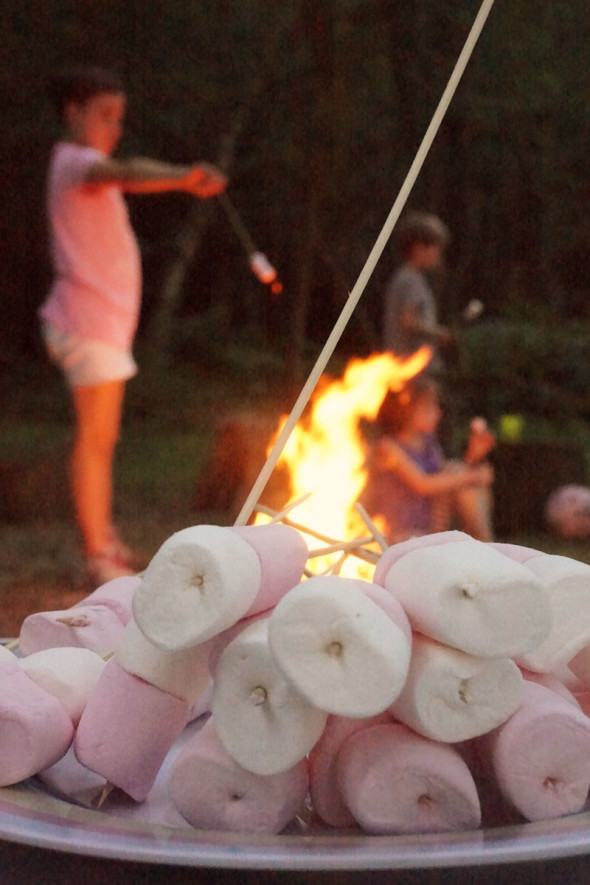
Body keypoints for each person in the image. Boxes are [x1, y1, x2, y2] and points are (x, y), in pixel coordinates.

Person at [39, 66, 227, 584]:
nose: (113, 127)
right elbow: (121, 170)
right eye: (104, 115)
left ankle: (103, 539)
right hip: (86, 321)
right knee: (95, 441)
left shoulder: (81, 164)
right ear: (72, 112)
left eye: (118, 118)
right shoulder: (77, 162)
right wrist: (184, 178)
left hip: (99, 325)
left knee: (102, 438)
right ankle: (96, 551)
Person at [361, 375, 495, 544]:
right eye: (429, 408)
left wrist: (473, 458)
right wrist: (473, 475)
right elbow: (423, 484)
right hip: (401, 531)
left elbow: (445, 479)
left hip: (433, 526)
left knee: (463, 478)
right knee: (464, 477)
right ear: (407, 410)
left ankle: (484, 544)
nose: (438, 413)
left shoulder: (429, 443)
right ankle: (485, 545)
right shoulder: (388, 448)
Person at [383, 211, 454, 375]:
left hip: (404, 366)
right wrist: (440, 333)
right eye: (436, 249)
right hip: (413, 368)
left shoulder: (403, 277)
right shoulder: (411, 280)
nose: (438, 256)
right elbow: (408, 322)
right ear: (418, 248)